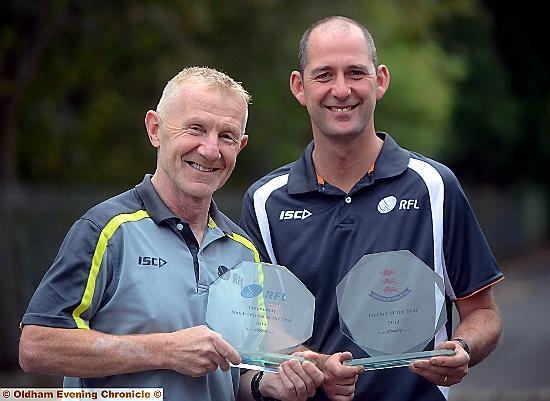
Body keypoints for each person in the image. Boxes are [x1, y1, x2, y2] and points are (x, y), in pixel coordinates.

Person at [19, 66, 324, 401]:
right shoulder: (106, 230)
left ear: (241, 146)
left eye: (227, 136)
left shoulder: (242, 251)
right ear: (155, 129)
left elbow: (239, 370)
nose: (210, 150)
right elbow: (37, 345)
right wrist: (164, 350)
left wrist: (265, 384)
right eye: (196, 129)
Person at [240, 16, 504, 401]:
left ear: (380, 80)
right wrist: (309, 367)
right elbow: (262, 333)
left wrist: (462, 349)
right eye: (324, 75)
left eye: (355, 73)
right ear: (300, 87)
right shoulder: (265, 201)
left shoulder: (434, 185)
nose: (341, 89)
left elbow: (483, 312)